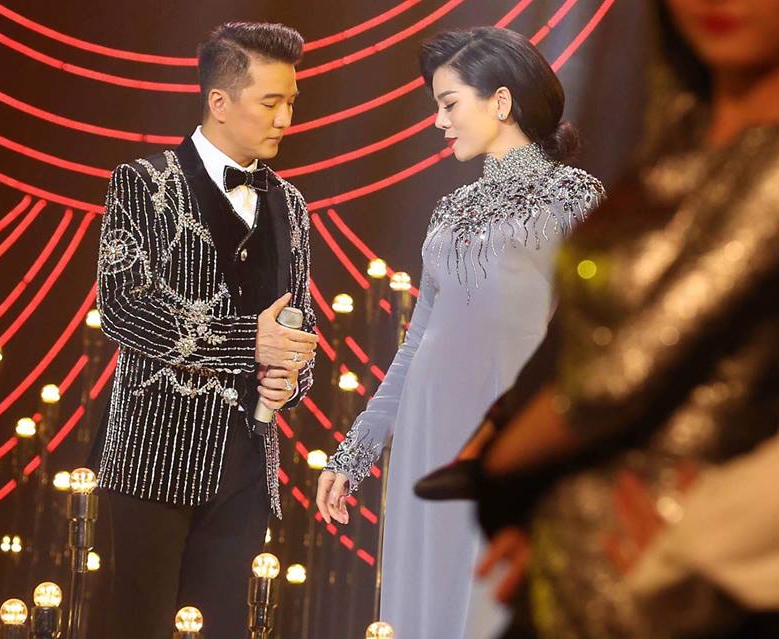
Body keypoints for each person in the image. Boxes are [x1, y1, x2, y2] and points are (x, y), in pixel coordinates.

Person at [474, 0, 779, 636]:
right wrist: (533, 503)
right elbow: (585, 341)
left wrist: (496, 474)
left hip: (692, 584)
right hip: (565, 560)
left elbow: (623, 373)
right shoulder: (679, 132)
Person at [315, 27, 604, 637]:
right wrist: (356, 450)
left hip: (506, 435)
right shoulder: (449, 211)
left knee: (493, 607)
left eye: (449, 104)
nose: (439, 121)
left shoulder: (574, 197)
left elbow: (590, 336)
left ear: (501, 102)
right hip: (427, 434)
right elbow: (418, 339)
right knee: (422, 606)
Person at [91, 22, 318, 639]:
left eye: (291, 103)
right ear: (219, 101)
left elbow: (302, 326)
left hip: (246, 466)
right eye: (270, 103)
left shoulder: (291, 205)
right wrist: (250, 343)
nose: (285, 119)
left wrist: (291, 378)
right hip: (152, 457)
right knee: (136, 627)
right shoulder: (143, 182)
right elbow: (124, 307)